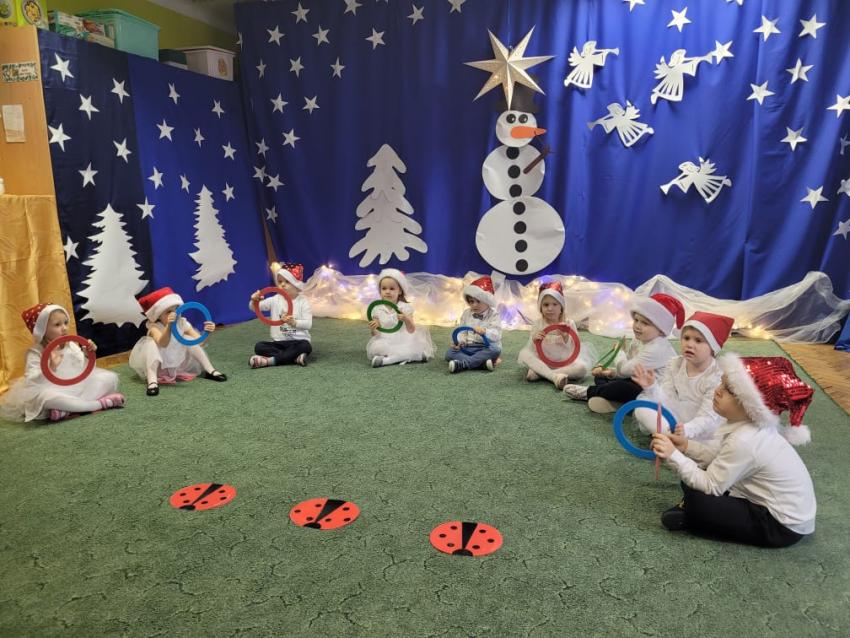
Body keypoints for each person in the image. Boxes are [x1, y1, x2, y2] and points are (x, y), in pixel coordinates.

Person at [651, 353, 815, 547]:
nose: (718, 391)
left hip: (779, 526)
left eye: (729, 390)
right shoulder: (745, 427)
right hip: (770, 506)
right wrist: (686, 446)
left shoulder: (745, 439)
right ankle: (697, 512)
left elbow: (711, 485)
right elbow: (719, 457)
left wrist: (673, 455)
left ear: (752, 405)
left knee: (698, 498)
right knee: (695, 479)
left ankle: (693, 518)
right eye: (721, 383)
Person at [0, 303, 123, 422]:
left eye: (65, 322)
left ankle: (68, 409)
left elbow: (85, 371)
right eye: (57, 325)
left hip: (76, 386)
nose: (64, 328)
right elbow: (32, 380)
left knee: (108, 378)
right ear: (42, 329)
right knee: (46, 397)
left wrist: (87, 355)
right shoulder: (35, 352)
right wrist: (50, 367)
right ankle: (96, 405)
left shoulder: (71, 345)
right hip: (50, 389)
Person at [563, 293, 682, 413]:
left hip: (655, 394)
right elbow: (629, 368)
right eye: (636, 320)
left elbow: (624, 371)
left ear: (661, 330)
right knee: (601, 378)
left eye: (645, 323)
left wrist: (619, 351)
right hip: (638, 380)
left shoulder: (657, 349)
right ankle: (618, 403)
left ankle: (589, 392)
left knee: (620, 387)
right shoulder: (640, 339)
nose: (637, 326)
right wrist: (610, 373)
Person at [631, 311, 733, 439]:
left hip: (701, 424)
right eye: (686, 338)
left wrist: (686, 429)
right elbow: (666, 399)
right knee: (642, 408)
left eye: (698, 340)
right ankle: (672, 436)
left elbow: (707, 418)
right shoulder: (675, 364)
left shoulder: (716, 376)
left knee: (705, 435)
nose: (689, 344)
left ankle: (674, 438)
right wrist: (652, 387)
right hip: (676, 416)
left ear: (713, 347)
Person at [129, 287, 226, 396]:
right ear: (158, 316)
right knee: (151, 344)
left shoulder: (182, 323)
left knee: (188, 338)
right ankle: (152, 381)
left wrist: (207, 332)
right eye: (168, 312)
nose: (174, 314)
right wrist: (169, 326)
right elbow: (163, 343)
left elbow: (200, 342)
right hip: (160, 366)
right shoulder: (154, 327)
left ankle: (210, 370)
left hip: (178, 363)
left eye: (176, 309)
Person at [517, 281, 598, 389]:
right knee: (524, 354)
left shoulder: (569, 323)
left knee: (581, 368)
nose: (550, 308)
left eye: (555, 304)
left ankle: (543, 374)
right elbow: (532, 348)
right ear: (541, 307)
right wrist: (534, 339)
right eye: (546, 305)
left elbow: (575, 347)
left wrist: (565, 337)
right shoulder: (538, 324)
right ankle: (553, 376)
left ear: (561, 307)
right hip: (543, 360)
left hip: (565, 361)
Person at [367, 268, 434, 367]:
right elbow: (375, 334)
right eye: (384, 288)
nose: (387, 292)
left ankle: (387, 361)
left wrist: (406, 319)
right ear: (380, 291)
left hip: (403, 337)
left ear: (400, 291)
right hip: (385, 338)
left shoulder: (405, 307)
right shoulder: (377, 309)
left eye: (392, 289)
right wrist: (373, 328)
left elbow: (411, 330)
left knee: (407, 347)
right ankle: (417, 356)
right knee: (378, 348)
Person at [250, 263, 313, 368]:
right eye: (280, 282)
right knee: (259, 346)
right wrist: (254, 300)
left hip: (298, 342)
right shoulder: (275, 299)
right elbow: (255, 308)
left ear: (297, 285)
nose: (282, 285)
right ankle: (293, 357)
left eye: (287, 282)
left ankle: (270, 361)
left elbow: (308, 324)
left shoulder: (303, 302)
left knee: (306, 346)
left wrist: (294, 322)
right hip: (278, 343)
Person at [445, 275, 502, 373]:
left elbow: (497, 335)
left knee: (495, 350)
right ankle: (481, 364)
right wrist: (459, 342)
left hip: (485, 347)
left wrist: (485, 331)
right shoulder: (466, 313)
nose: (474, 305)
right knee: (449, 353)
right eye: (471, 301)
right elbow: (462, 332)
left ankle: (463, 364)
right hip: (468, 346)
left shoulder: (494, 314)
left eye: (478, 302)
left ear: (487, 301)